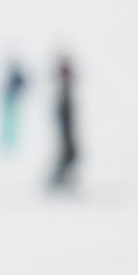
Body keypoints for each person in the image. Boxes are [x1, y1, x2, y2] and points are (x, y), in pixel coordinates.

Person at [48, 53, 80, 191]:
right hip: (65, 125)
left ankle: (60, 179)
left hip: (67, 125)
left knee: (70, 154)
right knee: (69, 153)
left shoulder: (65, 86)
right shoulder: (63, 88)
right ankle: (58, 179)